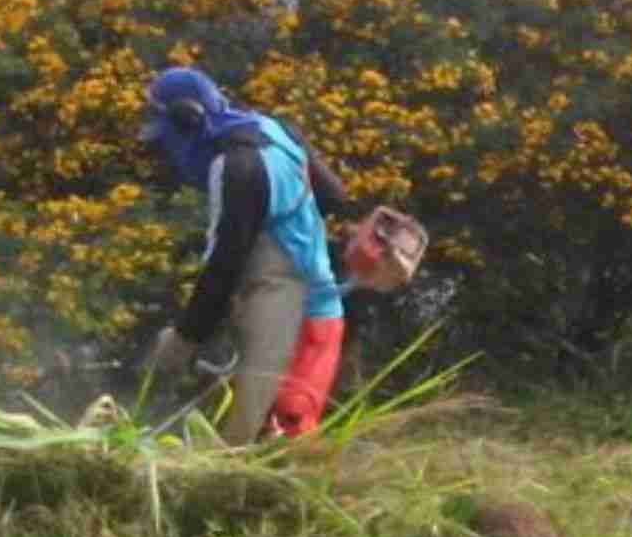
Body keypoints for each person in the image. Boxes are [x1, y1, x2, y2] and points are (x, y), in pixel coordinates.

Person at [137, 67, 427, 442]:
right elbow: (333, 196)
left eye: (168, 138)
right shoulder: (275, 130)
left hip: (289, 308)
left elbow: (224, 267)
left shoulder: (237, 169)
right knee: (270, 431)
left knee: (249, 441)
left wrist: (184, 338)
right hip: (319, 313)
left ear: (188, 120)